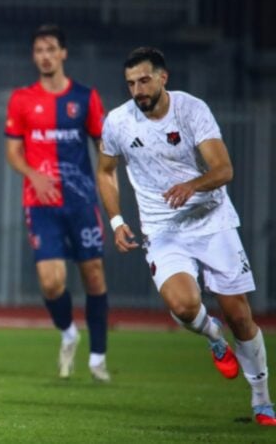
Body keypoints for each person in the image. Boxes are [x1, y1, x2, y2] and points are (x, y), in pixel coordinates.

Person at [97, 46, 276, 426]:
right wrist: (116, 220)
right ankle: (215, 339)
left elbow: (224, 169)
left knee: (239, 314)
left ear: (163, 77)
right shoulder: (118, 122)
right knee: (182, 306)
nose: (138, 90)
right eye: (131, 83)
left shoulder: (192, 110)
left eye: (144, 80)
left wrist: (191, 186)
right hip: (163, 229)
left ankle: (262, 399)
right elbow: (106, 170)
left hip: (212, 221)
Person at [4, 24, 110, 381]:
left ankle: (98, 358)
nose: (45, 56)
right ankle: (68, 333)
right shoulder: (21, 99)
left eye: (51, 49)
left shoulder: (85, 98)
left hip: (81, 202)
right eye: (39, 50)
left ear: (63, 53)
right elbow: (13, 151)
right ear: (34, 56)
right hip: (40, 203)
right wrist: (32, 174)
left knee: (93, 274)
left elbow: (104, 147)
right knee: (51, 283)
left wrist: (106, 183)